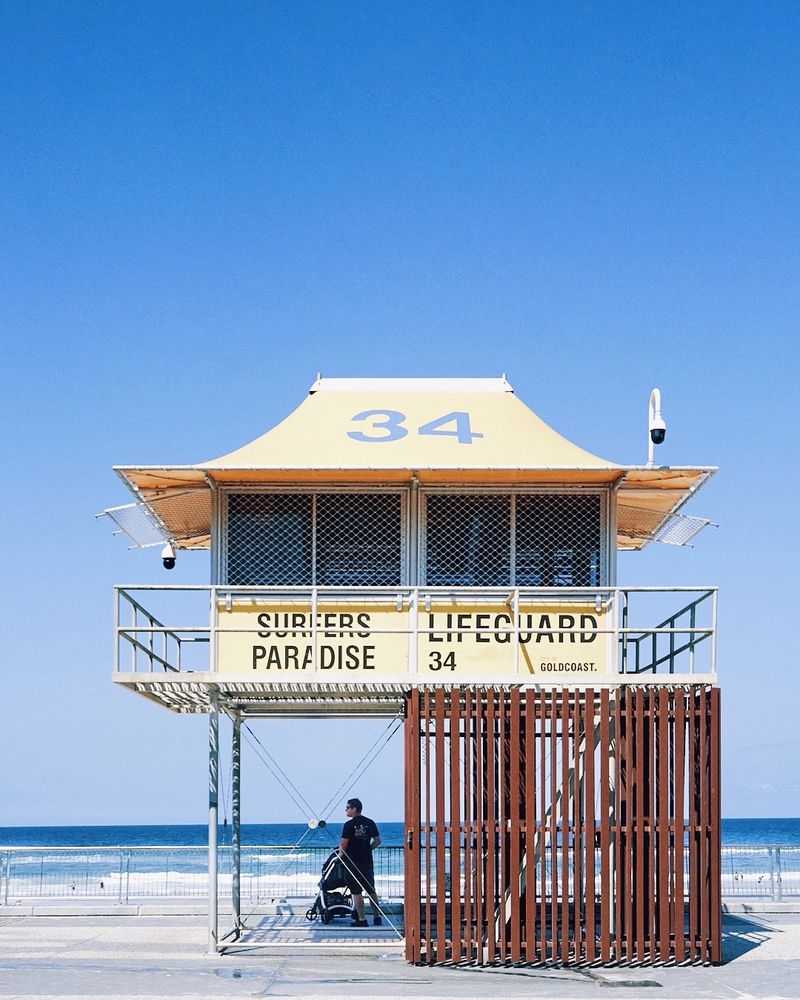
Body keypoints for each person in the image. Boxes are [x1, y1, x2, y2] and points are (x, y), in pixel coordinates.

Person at [338, 797, 382, 927]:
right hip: (367, 861)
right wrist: (368, 849)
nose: (345, 810)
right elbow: (378, 841)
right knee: (371, 890)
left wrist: (340, 856)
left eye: (347, 807)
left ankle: (362, 919)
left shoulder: (349, 825)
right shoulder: (370, 822)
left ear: (354, 809)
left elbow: (343, 844)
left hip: (353, 861)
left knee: (356, 891)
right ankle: (377, 917)